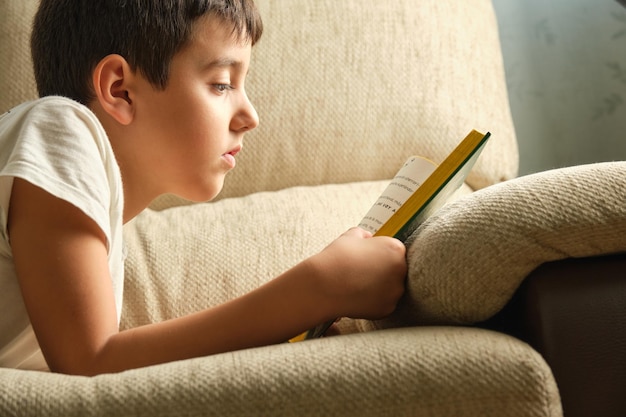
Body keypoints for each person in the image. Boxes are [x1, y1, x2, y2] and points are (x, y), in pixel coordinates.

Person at [0, 0, 407, 376]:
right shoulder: (58, 127)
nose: (250, 116)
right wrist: (317, 290)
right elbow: (90, 363)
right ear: (119, 89)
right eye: (222, 83)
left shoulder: (96, 222)